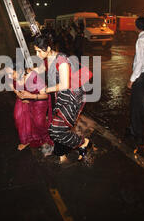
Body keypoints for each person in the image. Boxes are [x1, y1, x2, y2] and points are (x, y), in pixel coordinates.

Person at [18, 34, 91, 163]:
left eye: (40, 51)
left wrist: (45, 90)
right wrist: (29, 71)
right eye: (36, 51)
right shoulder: (48, 57)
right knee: (57, 128)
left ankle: (83, 142)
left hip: (72, 97)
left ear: (48, 48)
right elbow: (40, 68)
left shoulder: (61, 60)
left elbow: (64, 84)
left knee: (56, 129)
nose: (38, 54)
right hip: (61, 96)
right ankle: (69, 149)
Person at [5, 61, 54, 153]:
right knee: (19, 116)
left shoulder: (34, 77)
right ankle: (26, 140)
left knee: (38, 123)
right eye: (8, 74)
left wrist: (30, 96)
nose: (10, 76)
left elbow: (45, 96)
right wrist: (18, 94)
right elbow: (10, 84)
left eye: (12, 73)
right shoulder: (12, 75)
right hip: (24, 97)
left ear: (20, 70)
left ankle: (45, 139)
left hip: (38, 100)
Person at [125, 16, 144, 146]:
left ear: (136, 26)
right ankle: (134, 129)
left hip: (141, 76)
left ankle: (137, 134)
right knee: (141, 105)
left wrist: (132, 80)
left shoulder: (141, 40)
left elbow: (139, 63)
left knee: (136, 106)